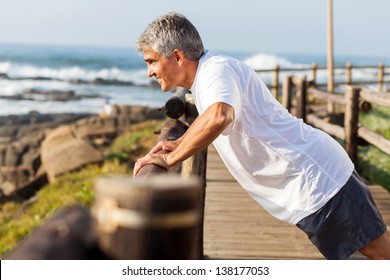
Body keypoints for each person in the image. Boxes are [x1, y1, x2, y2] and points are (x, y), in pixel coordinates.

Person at [133, 12, 390, 260]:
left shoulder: (215, 70)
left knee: (379, 253)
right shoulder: (207, 77)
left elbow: (220, 115)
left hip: (318, 180)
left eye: (152, 61)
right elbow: (215, 116)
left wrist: (170, 159)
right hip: (307, 185)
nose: (150, 72)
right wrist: (179, 142)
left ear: (177, 56)